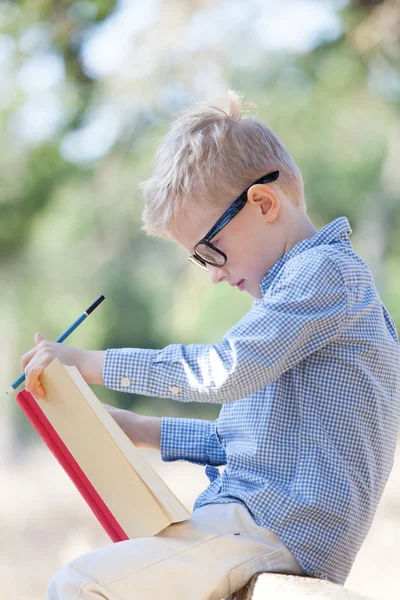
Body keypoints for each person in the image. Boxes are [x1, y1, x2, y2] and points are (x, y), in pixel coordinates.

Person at [22, 90, 400, 600]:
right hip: (259, 523)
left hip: (273, 526)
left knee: (77, 583)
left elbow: (223, 370)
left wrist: (91, 362)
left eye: (210, 251)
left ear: (263, 203)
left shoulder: (324, 275)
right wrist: (134, 428)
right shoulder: (305, 296)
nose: (214, 275)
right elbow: (237, 442)